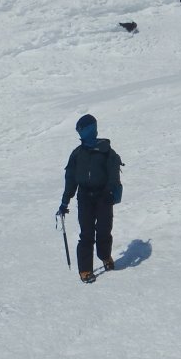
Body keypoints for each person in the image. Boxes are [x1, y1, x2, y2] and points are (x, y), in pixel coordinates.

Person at [56, 113, 123, 283]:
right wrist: (64, 202)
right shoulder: (77, 154)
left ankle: (105, 256)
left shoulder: (106, 151)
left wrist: (109, 191)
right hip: (84, 197)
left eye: (82, 130)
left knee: (104, 230)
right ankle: (85, 269)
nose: (80, 133)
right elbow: (70, 179)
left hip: (103, 196)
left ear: (90, 129)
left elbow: (114, 174)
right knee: (86, 233)